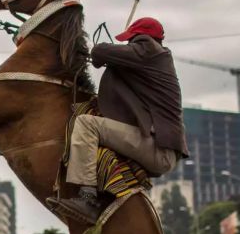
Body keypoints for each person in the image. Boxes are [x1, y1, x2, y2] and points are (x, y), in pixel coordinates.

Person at [51, 17, 188, 222]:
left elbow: (99, 52)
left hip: (158, 149)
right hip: (159, 147)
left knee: (87, 124)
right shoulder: (150, 60)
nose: (129, 44)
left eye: (131, 40)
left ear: (141, 38)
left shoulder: (149, 49)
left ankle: (88, 199)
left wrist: (107, 52)